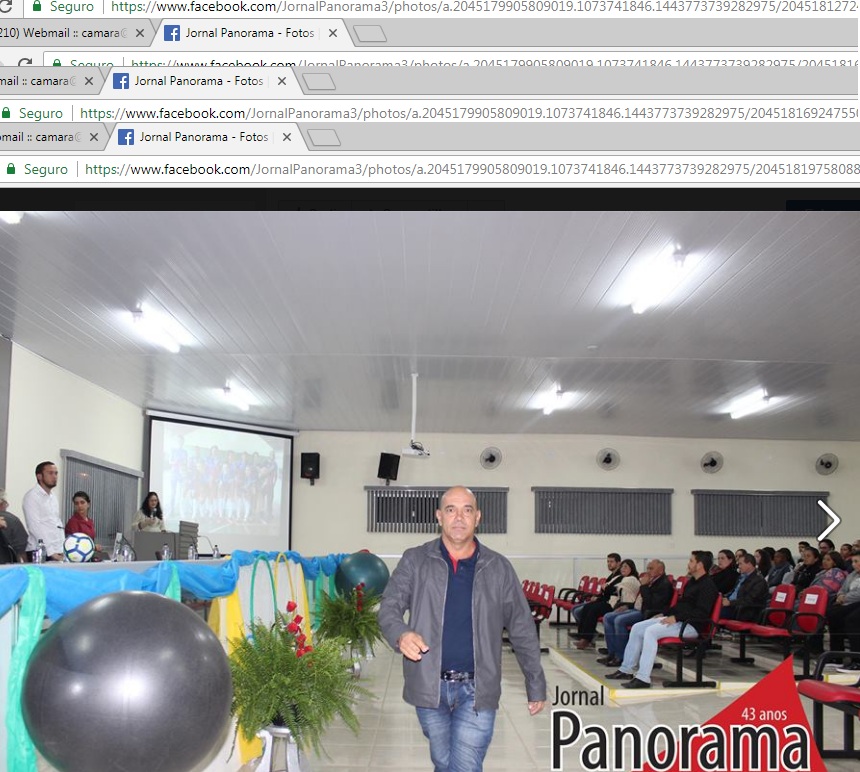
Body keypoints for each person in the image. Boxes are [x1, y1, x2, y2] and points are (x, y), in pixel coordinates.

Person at [379, 486, 546, 772]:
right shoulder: (415, 560)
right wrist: (401, 633)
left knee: (464, 766)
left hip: (478, 689)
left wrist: (535, 683)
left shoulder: (498, 567)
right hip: (429, 687)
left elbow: (522, 628)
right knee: (444, 763)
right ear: (439, 516)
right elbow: (389, 607)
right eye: (451, 510)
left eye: (467, 510)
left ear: (477, 517)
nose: (459, 517)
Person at [606, 551, 719, 689]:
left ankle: (643, 678)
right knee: (637, 628)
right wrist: (663, 614)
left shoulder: (707, 585)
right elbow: (681, 606)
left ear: (700, 565)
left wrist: (676, 617)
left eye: (691, 561)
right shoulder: (692, 582)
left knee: (650, 632)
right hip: (679, 620)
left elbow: (701, 613)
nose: (688, 564)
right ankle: (626, 670)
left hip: (691, 625)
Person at [598, 559, 672, 669]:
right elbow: (640, 602)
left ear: (661, 571)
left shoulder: (664, 584)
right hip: (639, 609)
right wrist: (628, 606)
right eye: (647, 568)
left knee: (619, 620)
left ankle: (621, 656)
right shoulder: (652, 581)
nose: (648, 571)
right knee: (608, 617)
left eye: (651, 569)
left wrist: (644, 586)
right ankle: (612, 653)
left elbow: (652, 604)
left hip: (650, 613)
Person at [572, 559, 639, 649]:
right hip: (614, 603)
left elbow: (612, 589)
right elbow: (607, 589)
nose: (623, 569)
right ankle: (584, 637)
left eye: (625, 567)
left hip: (623, 606)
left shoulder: (631, 579)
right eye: (622, 567)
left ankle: (586, 639)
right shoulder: (620, 577)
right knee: (588, 607)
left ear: (632, 568)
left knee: (593, 610)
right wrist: (606, 589)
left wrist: (606, 588)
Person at [22, 461, 64, 561]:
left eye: (56, 473)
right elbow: (34, 526)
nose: (54, 476)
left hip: (57, 550)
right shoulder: (32, 497)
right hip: (39, 551)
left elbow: (56, 523)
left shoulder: (53, 497)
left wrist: (62, 548)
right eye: (50, 473)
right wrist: (51, 552)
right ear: (39, 476)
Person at [826, 551, 860, 665]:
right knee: (833, 614)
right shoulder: (852, 575)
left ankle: (856, 660)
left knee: (852, 620)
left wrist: (845, 598)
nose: (853, 564)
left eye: (856, 561)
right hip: (848, 602)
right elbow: (843, 588)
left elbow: (858, 594)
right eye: (852, 562)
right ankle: (836, 656)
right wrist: (840, 595)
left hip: (856, 602)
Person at [720, 554, 768, 621]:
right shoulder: (742, 577)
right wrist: (723, 597)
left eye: (740, 564)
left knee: (714, 613)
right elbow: (734, 591)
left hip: (745, 611)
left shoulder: (759, 581)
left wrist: (730, 603)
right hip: (734, 606)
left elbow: (749, 600)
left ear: (749, 564)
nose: (739, 567)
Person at [0, 489, 29, 563]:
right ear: (2, 503)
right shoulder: (12, 520)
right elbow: (23, 551)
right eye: (6, 503)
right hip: (6, 566)